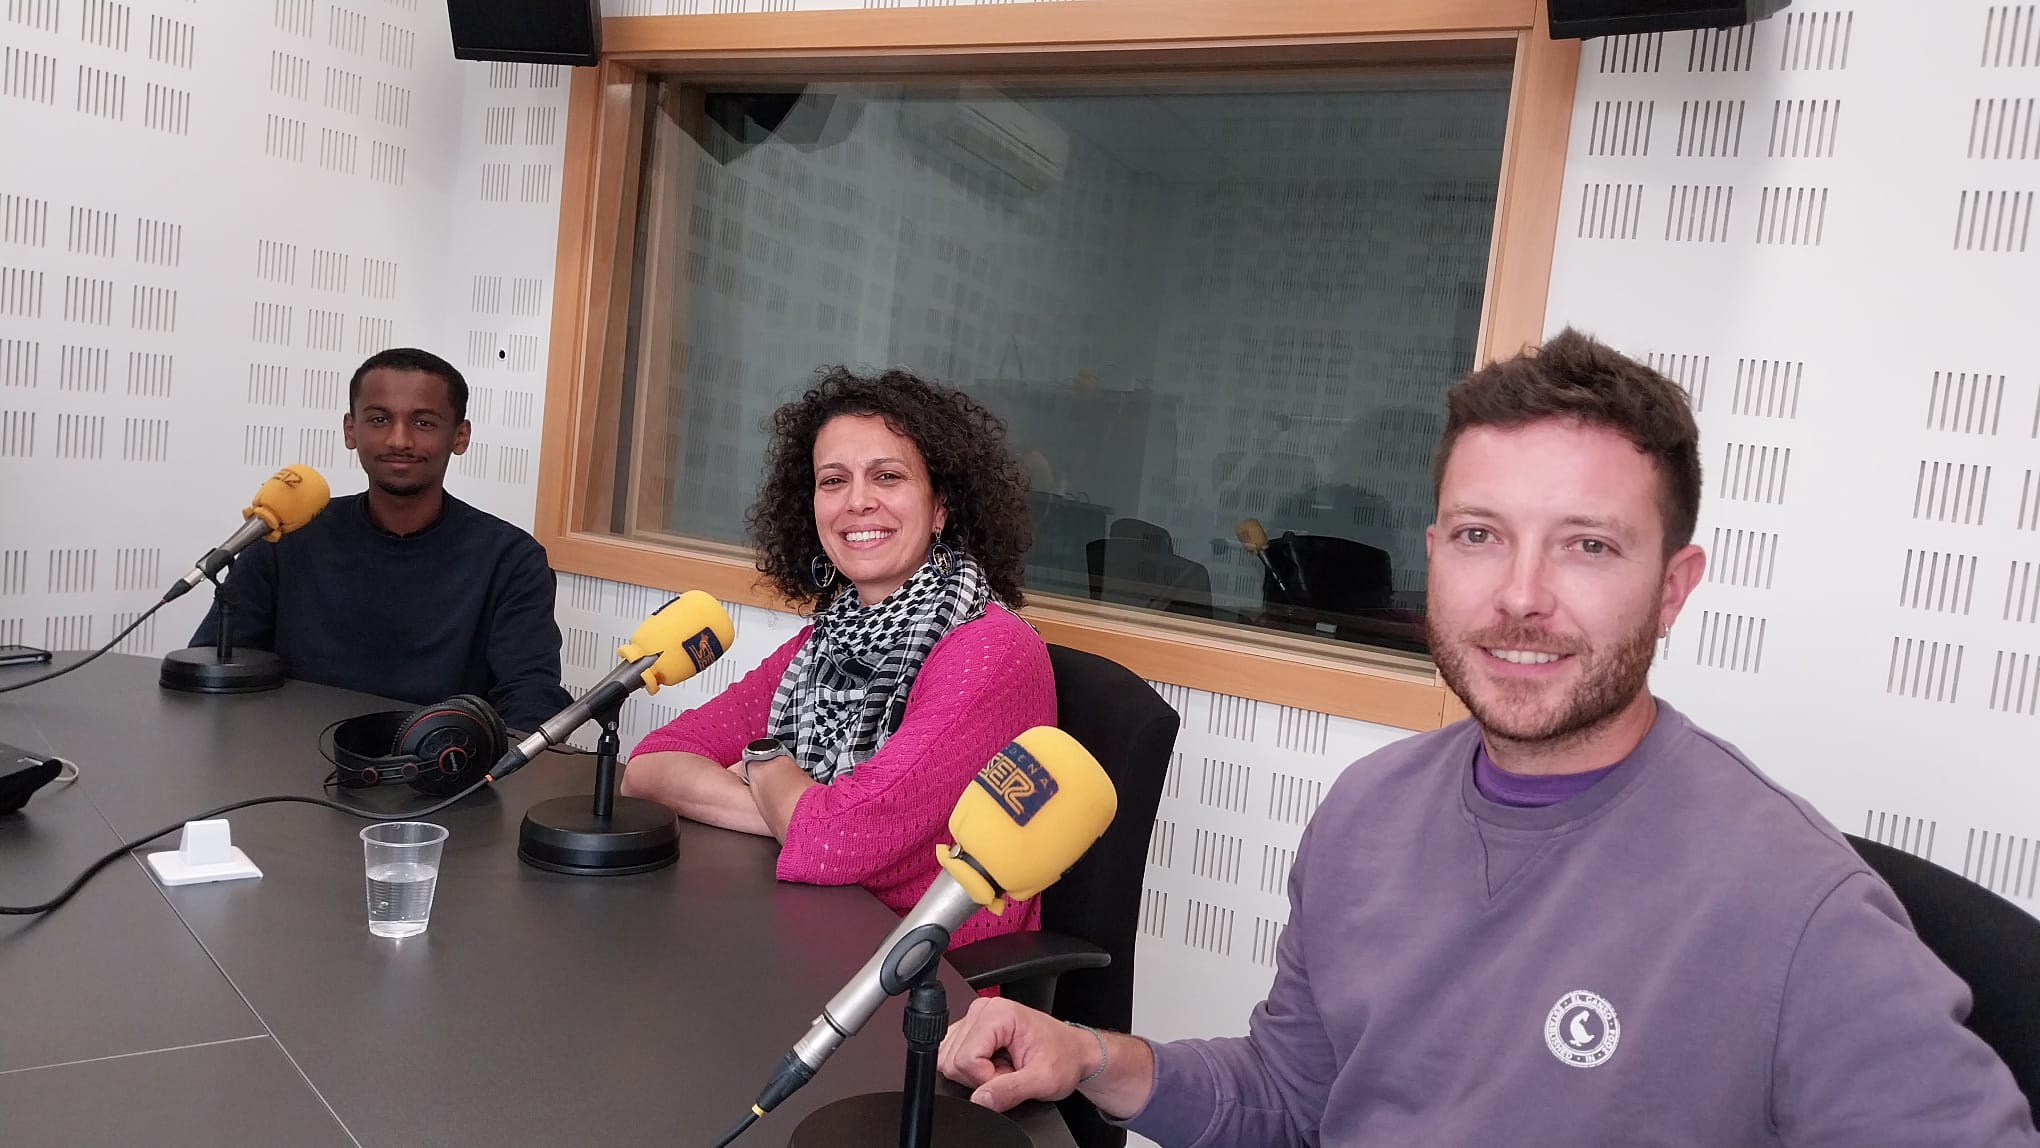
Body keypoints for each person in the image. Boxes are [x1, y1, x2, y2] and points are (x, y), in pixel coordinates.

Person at [936, 329, 2040, 1145]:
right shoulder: (1366, 812)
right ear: (1432, 553)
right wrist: (1091, 1055)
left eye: (1589, 547)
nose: (1521, 595)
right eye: (1480, 536)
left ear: (1673, 587)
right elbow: (1292, 1095)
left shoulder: (1796, 905)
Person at [622, 367, 1055, 946]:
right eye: (833, 481)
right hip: (806, 927)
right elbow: (652, 766)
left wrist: (761, 762)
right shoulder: (829, 637)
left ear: (941, 506)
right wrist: (800, 815)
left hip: (925, 976)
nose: (857, 503)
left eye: (888, 476)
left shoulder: (989, 653)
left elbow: (835, 843)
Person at [190, 347, 572, 732]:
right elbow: (218, 662)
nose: (399, 440)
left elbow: (530, 696)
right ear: (350, 430)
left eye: (423, 423)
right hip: (287, 763)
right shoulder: (285, 535)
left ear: (460, 436)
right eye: (378, 419)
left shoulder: (510, 559)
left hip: (440, 771)